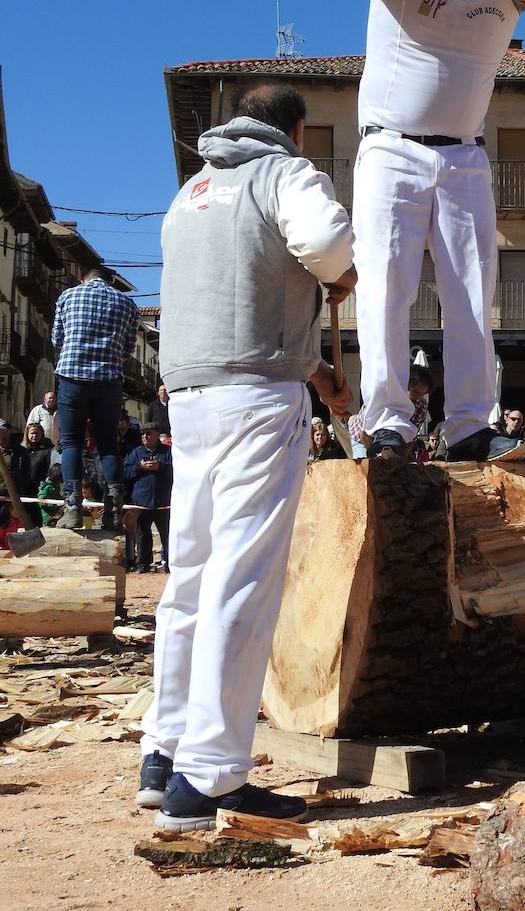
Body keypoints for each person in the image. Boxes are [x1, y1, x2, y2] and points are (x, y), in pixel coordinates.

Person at [140, 81, 356, 831]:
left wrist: (319, 374)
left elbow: (239, 294)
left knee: (191, 579)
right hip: (258, 400)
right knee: (243, 582)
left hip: (191, 397)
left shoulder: (192, 191)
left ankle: (162, 751)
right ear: (294, 130)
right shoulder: (285, 172)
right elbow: (326, 246)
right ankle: (207, 780)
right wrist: (341, 275)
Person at [354, 0, 525, 462]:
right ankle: (388, 422)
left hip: (464, 157)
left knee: (472, 290)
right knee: (387, 284)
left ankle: (471, 424)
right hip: (391, 149)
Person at [51, 267, 139, 530]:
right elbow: (128, 348)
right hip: (108, 381)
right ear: (111, 282)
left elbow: (57, 338)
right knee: (109, 445)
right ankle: (112, 512)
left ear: (83, 279)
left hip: (72, 378)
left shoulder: (68, 296)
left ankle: (72, 510)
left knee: (72, 443)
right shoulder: (127, 304)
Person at [348, 363, 433, 460]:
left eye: (422, 394)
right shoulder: (383, 395)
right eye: (415, 392)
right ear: (404, 385)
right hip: (361, 438)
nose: (418, 398)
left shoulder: (421, 406)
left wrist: (401, 460)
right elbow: (364, 436)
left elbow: (410, 439)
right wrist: (376, 457)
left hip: (393, 442)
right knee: (366, 469)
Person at [124, 425, 172, 572]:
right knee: (142, 534)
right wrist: (139, 466)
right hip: (142, 502)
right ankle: (142, 564)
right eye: (143, 434)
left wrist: (161, 467)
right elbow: (125, 472)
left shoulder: (168, 452)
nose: (145, 436)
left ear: (157, 435)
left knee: (168, 535)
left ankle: (171, 564)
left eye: (148, 433)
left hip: (164, 502)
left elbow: (178, 471)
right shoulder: (136, 453)